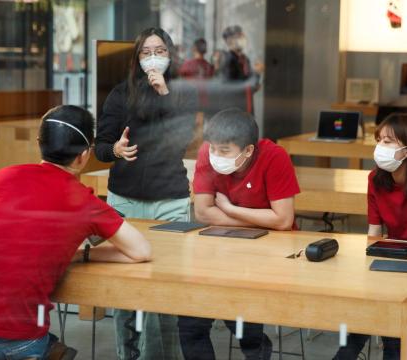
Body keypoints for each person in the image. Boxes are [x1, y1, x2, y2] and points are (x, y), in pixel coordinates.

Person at [0, 105, 152, 360]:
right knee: (26, 333)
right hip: (19, 346)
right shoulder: (84, 201)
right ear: (84, 155)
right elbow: (142, 251)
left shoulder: (3, 177)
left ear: (40, 143)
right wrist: (84, 255)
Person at [94, 27, 197, 360]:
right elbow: (100, 147)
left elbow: (181, 140)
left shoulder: (182, 93)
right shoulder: (120, 94)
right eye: (146, 52)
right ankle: (129, 355)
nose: (153, 57)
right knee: (125, 288)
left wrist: (164, 93)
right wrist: (116, 150)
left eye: (159, 50)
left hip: (169, 199)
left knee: (165, 291)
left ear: (170, 55)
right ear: (137, 59)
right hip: (125, 200)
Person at [177, 108, 300, 360]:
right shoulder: (207, 153)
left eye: (224, 151)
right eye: (213, 149)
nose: (215, 156)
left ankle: (257, 348)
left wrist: (229, 208)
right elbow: (202, 212)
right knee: (190, 324)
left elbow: (284, 220)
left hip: (268, 252)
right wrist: (263, 219)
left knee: (242, 321)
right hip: (218, 247)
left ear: (248, 151)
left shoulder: (275, 157)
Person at [333, 114, 407, 360]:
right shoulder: (375, 179)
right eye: (379, 140)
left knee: (390, 326)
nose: (380, 148)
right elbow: (374, 232)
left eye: (388, 141)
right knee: (367, 307)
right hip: (391, 258)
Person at [213, 25, 262, 114]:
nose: (243, 38)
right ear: (229, 41)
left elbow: (250, 85)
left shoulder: (244, 59)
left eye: (242, 35)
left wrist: (256, 79)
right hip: (234, 112)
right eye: (239, 36)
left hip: (247, 110)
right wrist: (256, 73)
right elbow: (233, 88)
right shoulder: (227, 60)